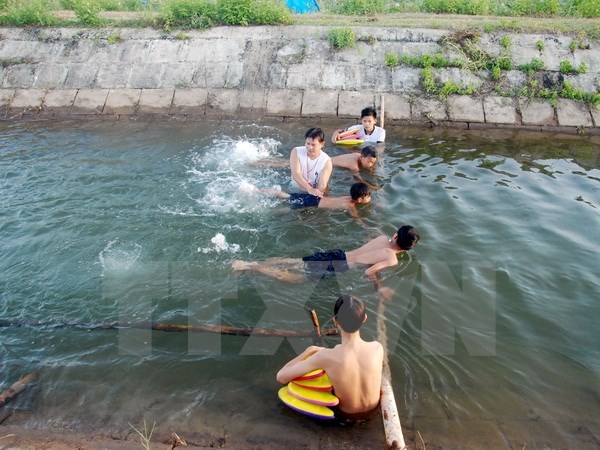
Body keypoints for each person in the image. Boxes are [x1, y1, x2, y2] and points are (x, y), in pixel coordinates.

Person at [276, 295, 384, 422]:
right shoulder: (377, 349)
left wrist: (309, 351)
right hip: (373, 414)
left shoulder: (324, 357)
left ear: (335, 321)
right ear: (365, 318)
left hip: (344, 419)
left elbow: (281, 377)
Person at [231, 225, 420, 293]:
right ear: (407, 249)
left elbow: (368, 243)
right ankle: (254, 267)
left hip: (339, 253)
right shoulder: (392, 260)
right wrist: (379, 288)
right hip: (340, 266)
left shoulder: (381, 238)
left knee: (297, 261)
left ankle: (256, 263)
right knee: (297, 280)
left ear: (395, 236)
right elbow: (369, 271)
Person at [246, 182, 371, 213]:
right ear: (359, 200)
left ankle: (256, 190)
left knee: (284, 195)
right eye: (368, 197)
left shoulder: (347, 197)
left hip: (313, 197)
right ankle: (270, 212)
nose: (369, 198)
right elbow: (357, 217)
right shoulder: (350, 205)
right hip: (312, 204)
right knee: (288, 210)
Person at [290, 127, 333, 198]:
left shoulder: (326, 161)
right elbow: (295, 174)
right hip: (296, 189)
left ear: (322, 144)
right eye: (307, 143)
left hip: (314, 191)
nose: (309, 147)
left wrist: (314, 196)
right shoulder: (296, 151)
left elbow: (322, 185)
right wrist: (309, 189)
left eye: (313, 145)